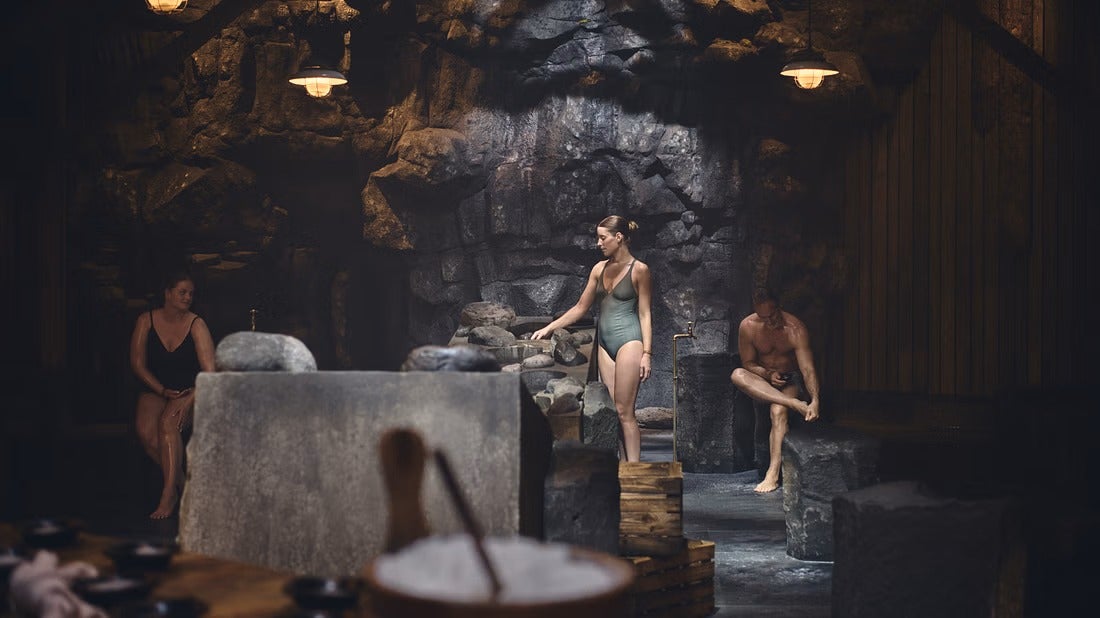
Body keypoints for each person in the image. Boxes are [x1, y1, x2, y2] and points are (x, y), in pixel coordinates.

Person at [531, 215, 653, 462]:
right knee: (613, 411)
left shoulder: (639, 270)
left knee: (625, 411)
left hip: (629, 341)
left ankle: (636, 470)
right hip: (604, 345)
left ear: (618, 238)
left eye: (602, 237)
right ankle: (621, 468)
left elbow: (644, 313)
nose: (598, 243)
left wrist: (647, 354)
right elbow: (580, 307)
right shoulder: (599, 269)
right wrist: (550, 328)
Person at [129, 271, 216, 518]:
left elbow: (210, 372)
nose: (188, 297)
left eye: (191, 293)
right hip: (157, 387)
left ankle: (168, 495)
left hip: (188, 389)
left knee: (168, 423)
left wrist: (189, 400)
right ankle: (187, 486)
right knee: (146, 433)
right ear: (167, 294)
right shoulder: (146, 320)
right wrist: (160, 390)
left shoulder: (196, 324)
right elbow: (137, 364)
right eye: (182, 292)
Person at [729, 287, 820, 493]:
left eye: (772, 315)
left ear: (779, 307)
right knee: (737, 374)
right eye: (763, 317)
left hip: (790, 380)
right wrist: (768, 374)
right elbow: (749, 363)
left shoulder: (795, 329)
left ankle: (773, 474)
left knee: (777, 411)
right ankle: (794, 405)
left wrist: (814, 400)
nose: (768, 321)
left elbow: (807, 369)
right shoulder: (748, 326)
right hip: (765, 379)